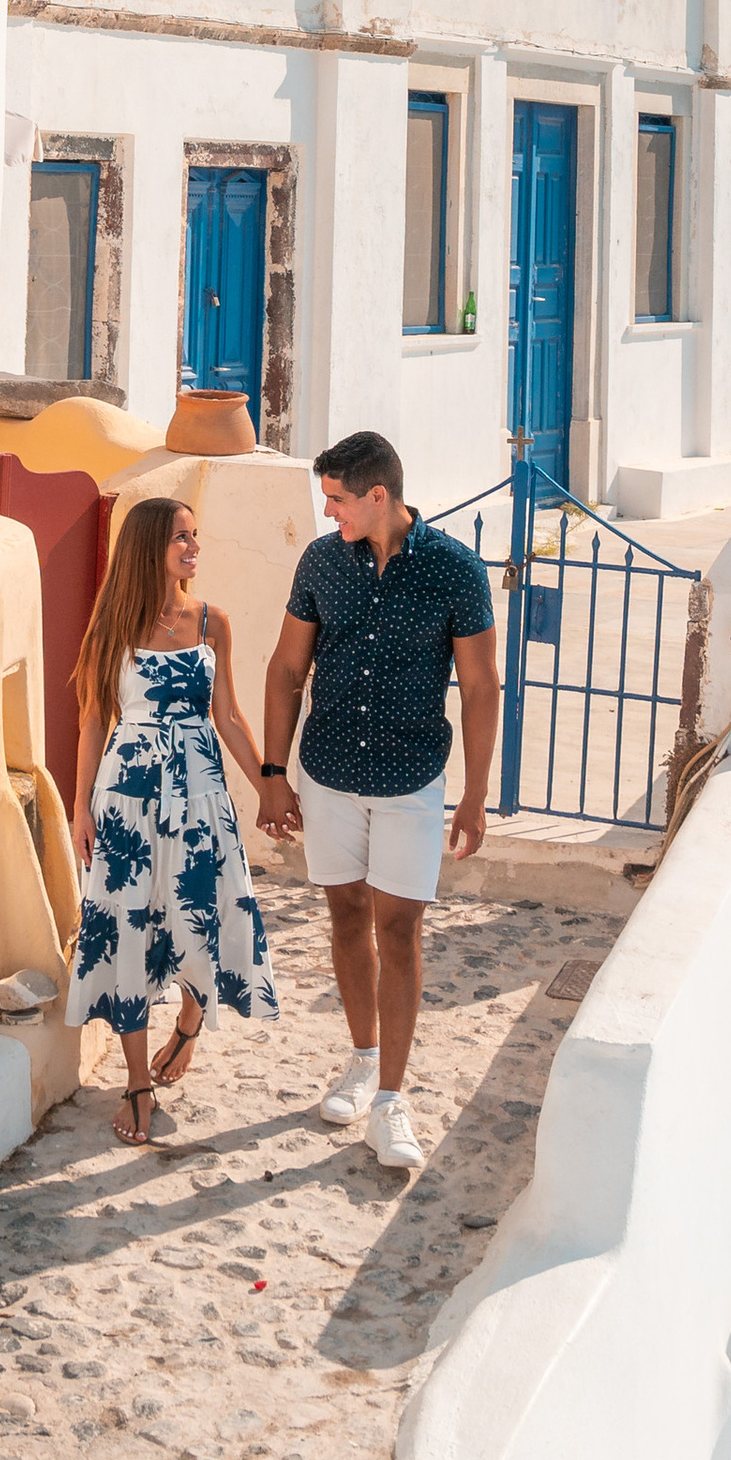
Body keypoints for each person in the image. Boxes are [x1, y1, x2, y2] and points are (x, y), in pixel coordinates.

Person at [257, 433, 499, 1175]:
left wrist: (476, 796)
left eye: (337, 499)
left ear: (379, 497)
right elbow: (287, 668)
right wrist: (273, 772)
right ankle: (362, 1061)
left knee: (399, 933)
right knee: (345, 917)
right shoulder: (323, 563)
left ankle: (391, 1101)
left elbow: (483, 686)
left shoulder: (456, 571)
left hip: (411, 783)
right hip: (327, 773)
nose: (328, 513)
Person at [68, 494, 276, 1148]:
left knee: (201, 917)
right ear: (148, 547)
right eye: (180, 538)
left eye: (195, 536)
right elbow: (93, 721)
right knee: (129, 928)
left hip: (201, 795)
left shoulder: (213, 623)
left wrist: (271, 784)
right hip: (128, 796)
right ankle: (136, 1080)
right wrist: (80, 806)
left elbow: (231, 717)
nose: (193, 547)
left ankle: (189, 1020)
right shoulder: (109, 629)